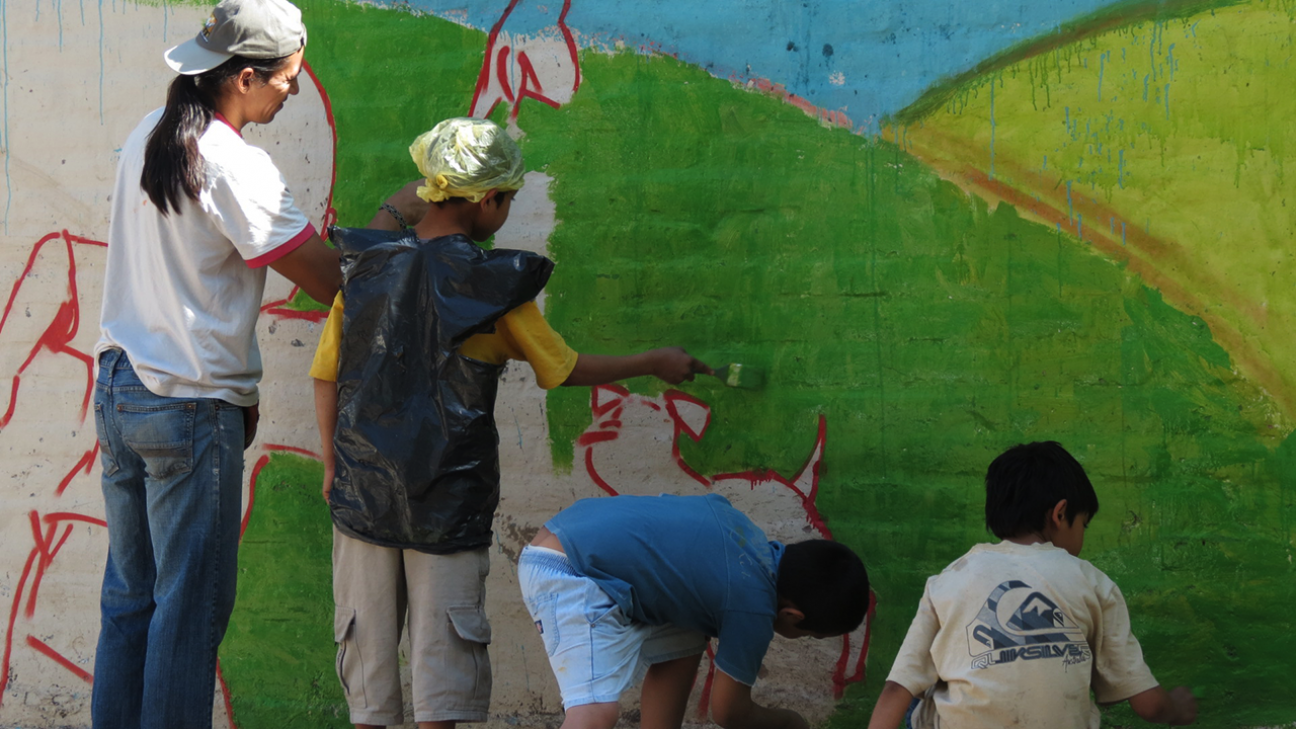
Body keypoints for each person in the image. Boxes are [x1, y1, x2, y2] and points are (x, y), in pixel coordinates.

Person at [310, 116, 710, 729]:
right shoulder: (496, 290)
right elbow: (564, 369)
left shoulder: (364, 270)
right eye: (509, 198)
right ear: (488, 200)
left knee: (369, 678)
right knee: (442, 678)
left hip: (363, 499)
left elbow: (326, 372)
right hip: (449, 504)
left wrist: (334, 463)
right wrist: (654, 360)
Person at [91, 0, 342, 726]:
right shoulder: (234, 163)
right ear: (243, 77)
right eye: (287, 78)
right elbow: (324, 281)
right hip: (187, 404)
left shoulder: (151, 132)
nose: (292, 90)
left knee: (131, 601)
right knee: (188, 611)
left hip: (122, 389)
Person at [867, 441, 1198, 729]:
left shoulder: (948, 581)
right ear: (1060, 514)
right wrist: (1177, 708)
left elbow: (897, 689)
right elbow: (1150, 706)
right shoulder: (1093, 582)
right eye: (1083, 524)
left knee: (921, 695)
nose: (1082, 535)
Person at [520, 492, 870, 729]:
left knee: (687, 636)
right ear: (793, 616)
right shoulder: (754, 607)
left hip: (572, 538)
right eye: (810, 635)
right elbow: (729, 712)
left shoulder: (744, 535)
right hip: (571, 572)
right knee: (596, 712)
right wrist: (789, 721)